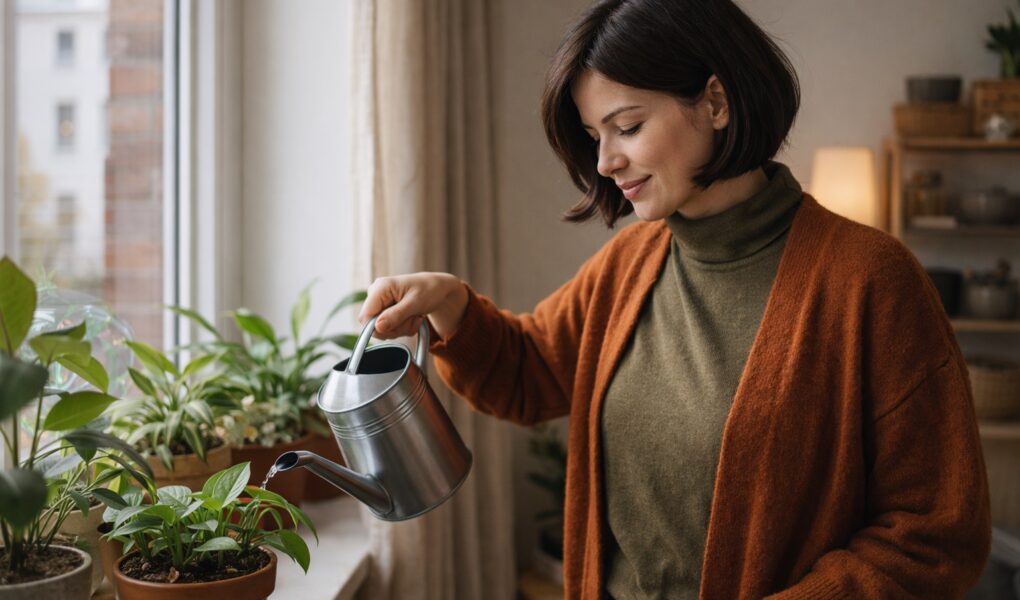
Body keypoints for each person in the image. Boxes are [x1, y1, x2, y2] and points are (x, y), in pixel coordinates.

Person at [357, 0, 991, 598]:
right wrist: (449, 303)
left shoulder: (872, 282)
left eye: (626, 126)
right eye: (592, 135)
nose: (605, 161)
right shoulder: (628, 267)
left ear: (715, 101)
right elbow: (531, 370)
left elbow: (933, 534)